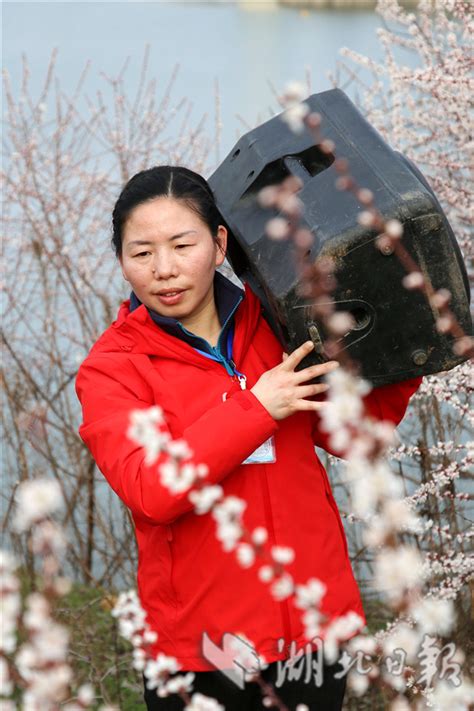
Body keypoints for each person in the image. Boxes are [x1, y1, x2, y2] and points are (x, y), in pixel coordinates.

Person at [75, 165, 423, 710]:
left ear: (218, 245)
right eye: (141, 253)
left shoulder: (280, 322)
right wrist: (257, 406)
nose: (163, 270)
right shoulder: (113, 368)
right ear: (121, 258)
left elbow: (354, 434)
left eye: (181, 245)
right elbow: (152, 490)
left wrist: (404, 344)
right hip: (200, 654)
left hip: (310, 634)